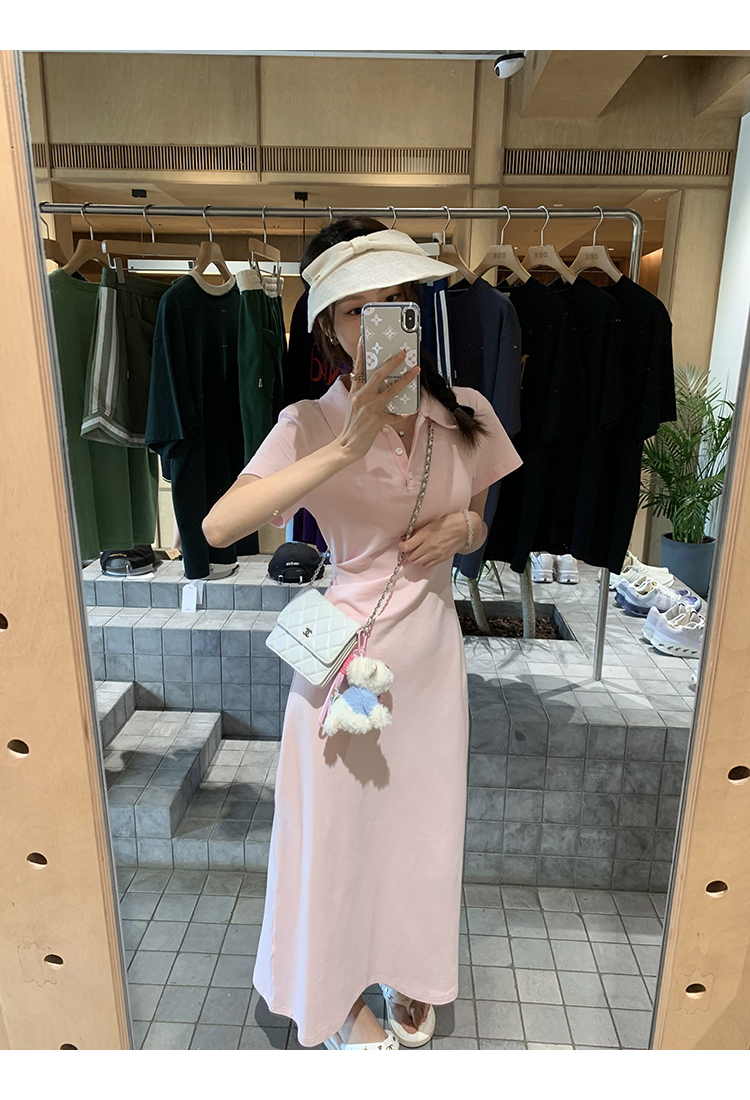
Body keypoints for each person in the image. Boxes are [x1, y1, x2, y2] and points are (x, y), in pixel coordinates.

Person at [202, 218, 523, 1050]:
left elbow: (479, 519)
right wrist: (346, 446)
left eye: (396, 303)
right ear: (331, 327)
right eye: (357, 309)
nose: (378, 321)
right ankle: (339, 995)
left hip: (431, 663)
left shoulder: (470, 413)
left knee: (421, 831)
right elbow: (220, 526)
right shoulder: (309, 423)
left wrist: (467, 531)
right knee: (339, 839)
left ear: (416, 313)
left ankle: (410, 969)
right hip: (344, 666)